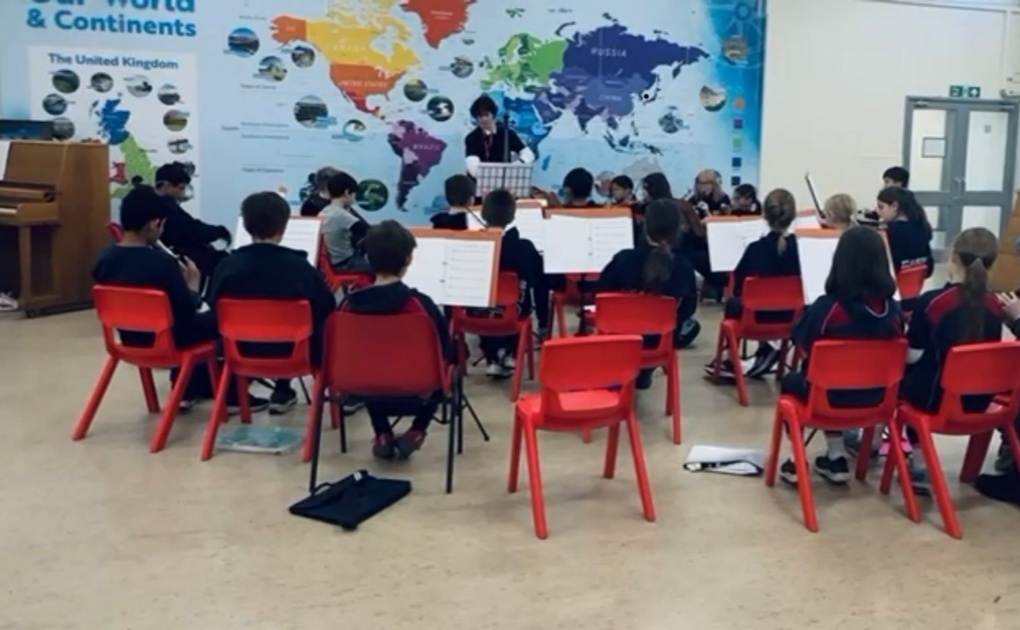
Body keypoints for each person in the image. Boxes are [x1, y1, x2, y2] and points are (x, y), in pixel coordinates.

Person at [93, 186, 267, 412]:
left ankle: (189, 388)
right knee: (225, 318)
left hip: (129, 338)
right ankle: (231, 394)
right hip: (169, 340)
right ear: (154, 224)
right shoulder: (163, 264)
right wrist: (192, 288)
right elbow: (186, 313)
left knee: (196, 321)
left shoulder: (104, 259)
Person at [777, 227, 905, 486]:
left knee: (797, 381)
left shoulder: (828, 308)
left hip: (828, 399)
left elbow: (801, 341)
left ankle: (805, 458)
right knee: (829, 378)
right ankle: (834, 458)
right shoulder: (893, 312)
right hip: (878, 399)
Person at [899, 228, 1020, 492]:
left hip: (936, 402)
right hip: (980, 401)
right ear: (993, 262)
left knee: (905, 380)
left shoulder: (933, 302)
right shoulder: (998, 306)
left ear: (953, 257)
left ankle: (918, 463)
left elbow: (912, 356)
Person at [207, 192, 337, 414]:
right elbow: (327, 307)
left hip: (239, 351)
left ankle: (240, 394)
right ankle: (284, 390)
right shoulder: (300, 268)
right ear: (283, 227)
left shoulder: (226, 267)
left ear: (246, 226)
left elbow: (213, 305)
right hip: (298, 354)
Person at [341, 221, 455, 459]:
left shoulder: (349, 305)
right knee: (446, 369)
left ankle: (382, 432)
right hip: (418, 389)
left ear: (368, 259)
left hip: (362, 388)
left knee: (371, 366)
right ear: (408, 259)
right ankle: (417, 430)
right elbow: (445, 351)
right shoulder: (420, 304)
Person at [599, 198, 700, 388]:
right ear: (678, 229)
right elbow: (688, 308)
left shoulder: (623, 260)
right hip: (658, 344)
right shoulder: (684, 268)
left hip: (619, 341)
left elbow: (600, 296)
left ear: (645, 226)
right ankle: (645, 370)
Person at [705, 188, 801, 380]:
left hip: (756, 319)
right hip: (791, 319)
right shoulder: (801, 250)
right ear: (793, 216)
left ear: (764, 215)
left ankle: (730, 356)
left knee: (734, 302)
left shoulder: (755, 249)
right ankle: (770, 351)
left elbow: (738, 284)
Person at [478, 189, 545, 377]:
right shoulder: (524, 248)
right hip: (513, 313)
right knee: (516, 297)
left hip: (476, 315)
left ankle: (492, 356)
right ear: (512, 216)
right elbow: (540, 283)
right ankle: (509, 353)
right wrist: (544, 322)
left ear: (483, 214)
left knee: (487, 297)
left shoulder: (475, 245)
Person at [146, 162, 231, 279]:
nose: (182, 193)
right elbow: (190, 229)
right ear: (166, 185)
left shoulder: (151, 203)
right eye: (181, 188)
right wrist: (219, 231)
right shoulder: (166, 206)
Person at [464, 95, 534, 177]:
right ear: (476, 118)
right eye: (480, 116)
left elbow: (528, 154)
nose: (484, 119)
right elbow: (473, 169)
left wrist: (517, 165)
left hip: (504, 179)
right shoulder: (472, 138)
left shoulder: (507, 134)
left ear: (493, 115)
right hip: (479, 181)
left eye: (486, 115)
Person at [876, 187, 933, 279]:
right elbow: (929, 267)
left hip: (892, 282)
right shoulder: (922, 226)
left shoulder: (888, 231)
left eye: (881, 207)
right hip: (915, 282)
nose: (878, 212)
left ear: (894, 206)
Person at [320, 171, 371, 272]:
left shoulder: (325, 211)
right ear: (347, 192)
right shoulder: (342, 215)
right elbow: (369, 232)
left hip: (331, 262)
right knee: (384, 267)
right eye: (354, 194)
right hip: (345, 263)